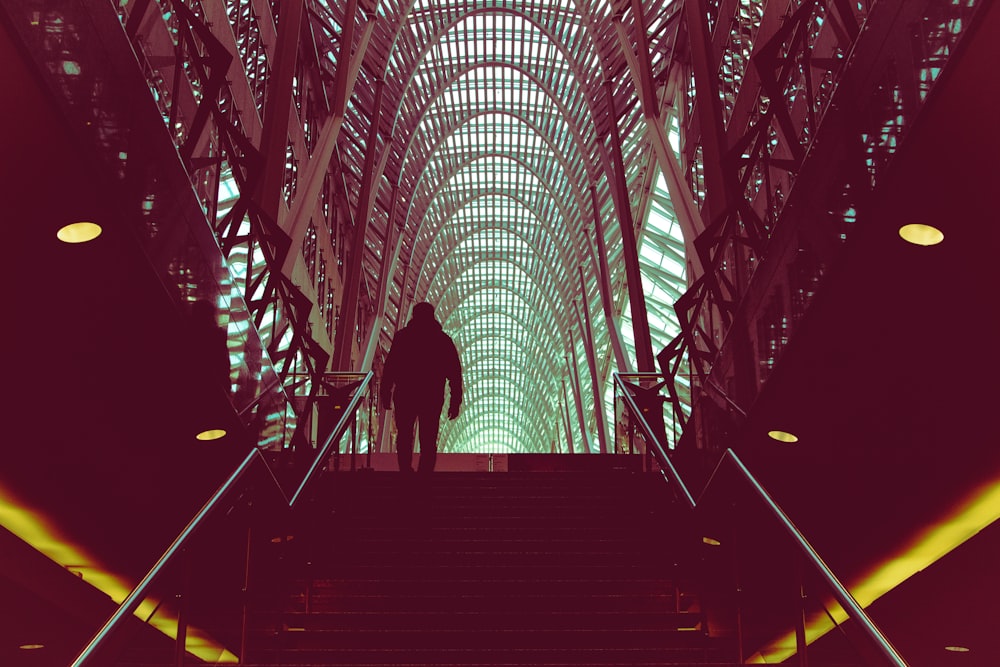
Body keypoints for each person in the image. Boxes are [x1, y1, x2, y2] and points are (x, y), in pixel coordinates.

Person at [380, 302, 463, 473]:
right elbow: (454, 372)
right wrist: (455, 400)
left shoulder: (402, 337)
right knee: (428, 437)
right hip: (431, 395)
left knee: (404, 435)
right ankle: (425, 473)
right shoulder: (442, 340)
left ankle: (405, 470)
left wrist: (386, 391)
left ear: (414, 316)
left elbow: (390, 366)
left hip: (405, 393)